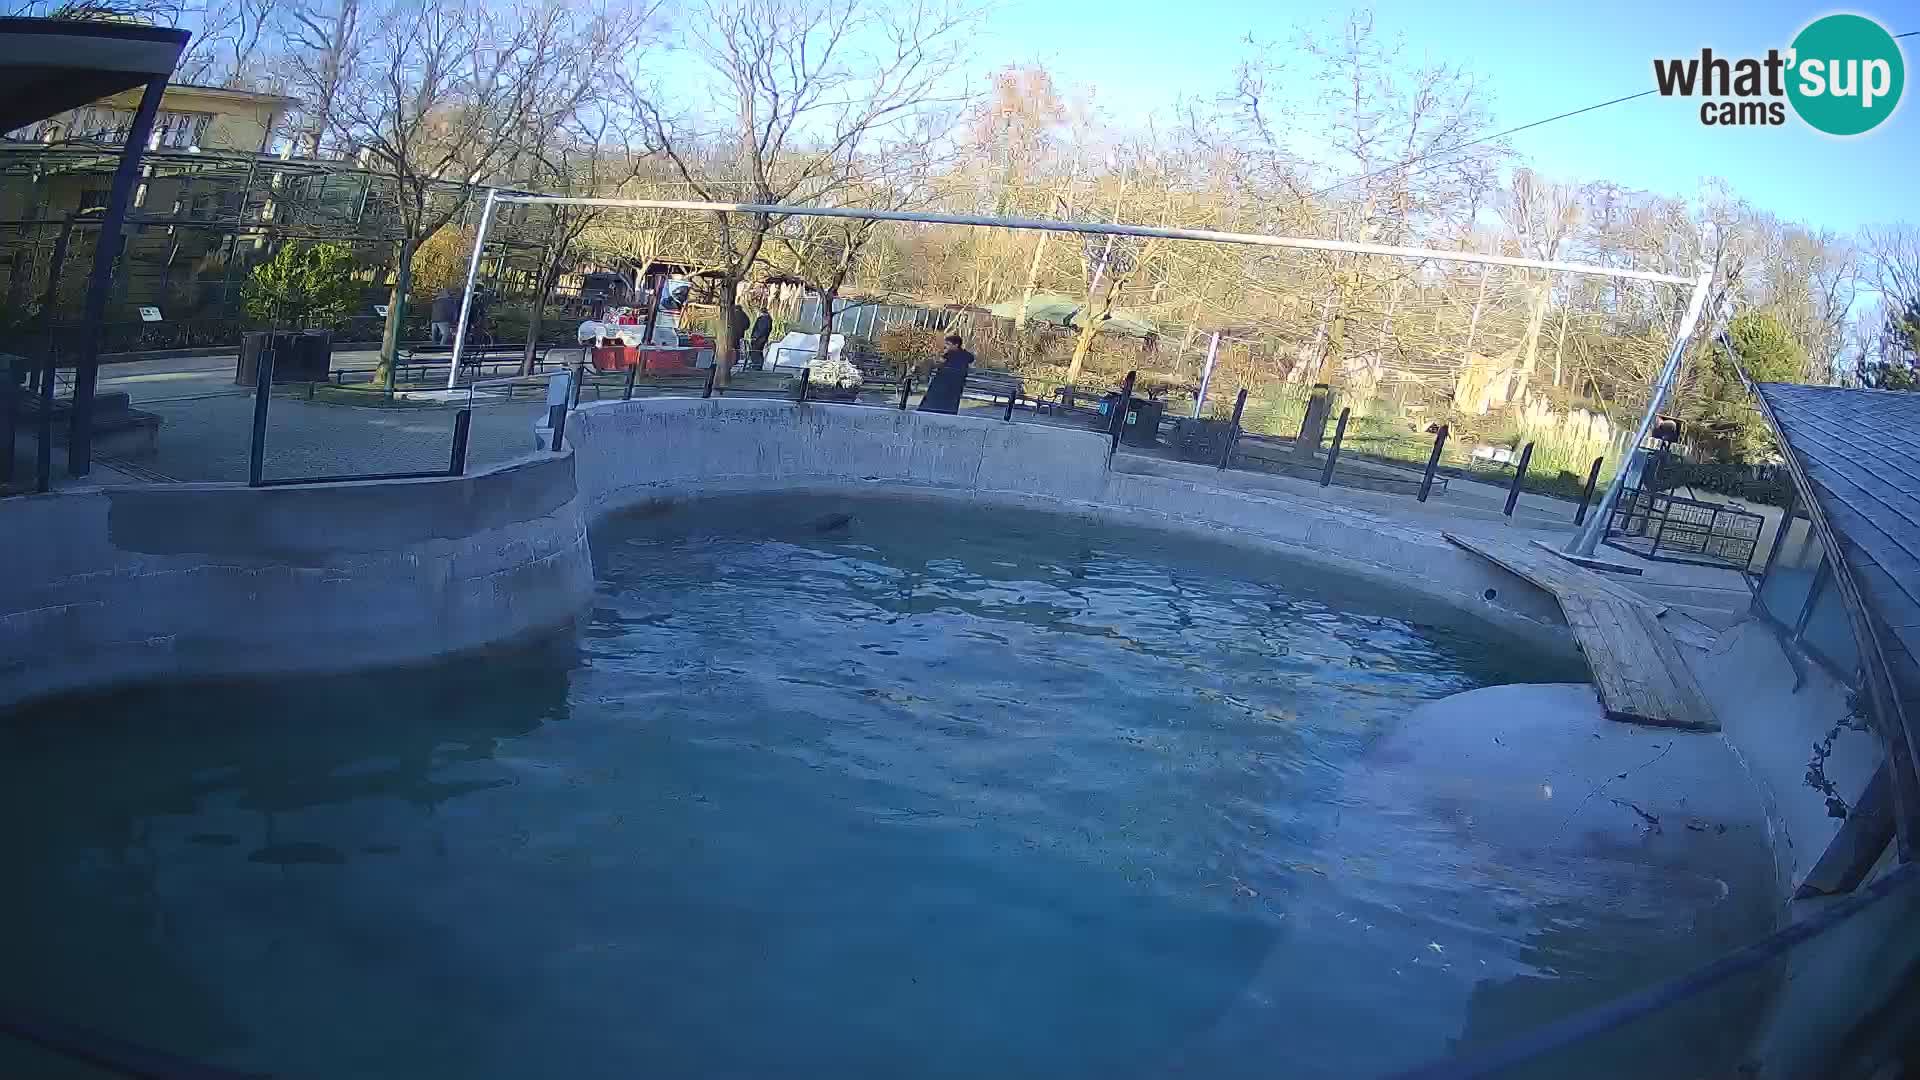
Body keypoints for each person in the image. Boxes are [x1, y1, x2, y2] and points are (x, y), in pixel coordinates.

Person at [916, 334, 975, 414]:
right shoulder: (965, 355)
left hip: (943, 384)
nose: (946, 346)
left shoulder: (950, 354)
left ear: (956, 345)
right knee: (948, 407)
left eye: (948, 344)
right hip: (955, 387)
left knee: (932, 404)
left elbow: (940, 363)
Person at [747, 306, 773, 370]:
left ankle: (756, 366)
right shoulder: (767, 319)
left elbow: (760, 329)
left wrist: (755, 337)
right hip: (762, 338)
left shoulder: (764, 319)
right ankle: (757, 365)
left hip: (759, 339)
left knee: (755, 352)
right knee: (758, 352)